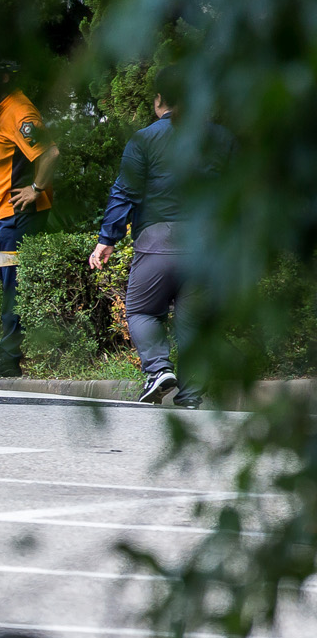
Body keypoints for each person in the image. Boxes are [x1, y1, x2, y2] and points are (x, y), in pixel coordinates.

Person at [89, 74, 230, 406]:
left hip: (157, 242)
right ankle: (192, 395)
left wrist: (106, 239)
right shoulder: (222, 139)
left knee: (140, 311)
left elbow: (124, 192)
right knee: (192, 320)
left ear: (158, 101)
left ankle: (159, 370)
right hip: (206, 243)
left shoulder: (144, 139)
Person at [0, 79, 59, 378]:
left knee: (13, 290)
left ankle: (9, 357)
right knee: (11, 288)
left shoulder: (19, 110)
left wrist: (36, 188)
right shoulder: (2, 109)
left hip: (17, 215)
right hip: (3, 216)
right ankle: (8, 352)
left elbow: (50, 153)